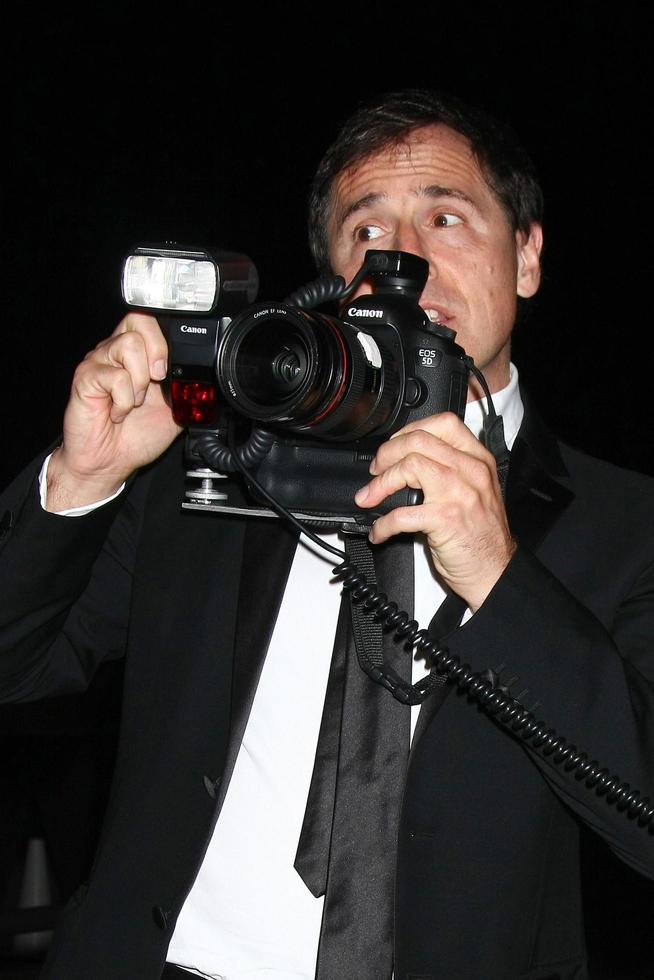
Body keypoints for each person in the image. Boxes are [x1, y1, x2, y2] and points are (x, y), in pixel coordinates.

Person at [1, 87, 653, 980]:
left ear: (528, 256)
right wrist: (80, 480)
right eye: (366, 232)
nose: (405, 263)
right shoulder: (223, 464)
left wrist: (502, 578)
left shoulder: (625, 522)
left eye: (447, 218)